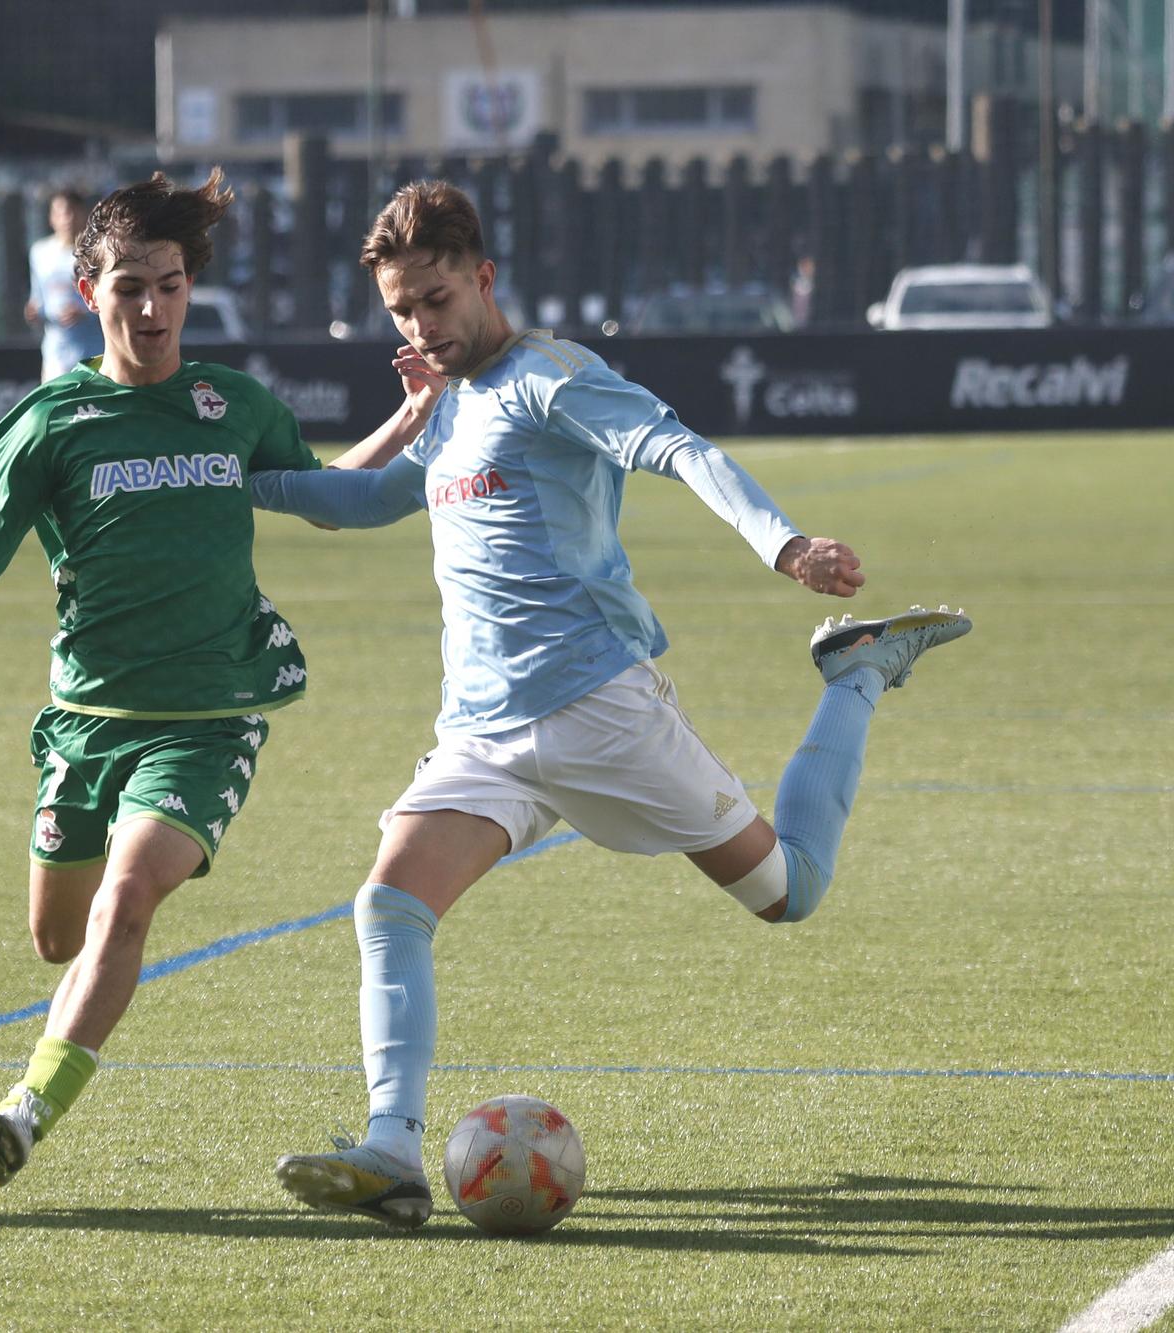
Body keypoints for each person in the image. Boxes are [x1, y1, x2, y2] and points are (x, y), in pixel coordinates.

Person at [252, 180, 971, 1230]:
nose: (420, 326)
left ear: (484, 278)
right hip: (483, 735)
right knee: (388, 905)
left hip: (598, 708)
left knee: (788, 891)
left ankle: (854, 671)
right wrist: (228, 477)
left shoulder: (551, 378)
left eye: (437, 299)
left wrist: (785, 544)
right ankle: (390, 1151)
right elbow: (355, 499)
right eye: (400, 309)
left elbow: (681, 449)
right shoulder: (444, 404)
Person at [0, 168, 439, 1194]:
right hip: (85, 719)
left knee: (125, 902)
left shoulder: (230, 406)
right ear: (90, 295)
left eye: (169, 284)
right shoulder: (50, 421)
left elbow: (327, 492)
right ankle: (80, 1009)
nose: (153, 307)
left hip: (207, 715)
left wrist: (414, 414)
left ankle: (22, 1110)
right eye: (130, 287)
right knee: (57, 937)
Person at [25, 188, 103, 382]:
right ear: (51, 218)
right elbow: (39, 299)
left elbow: (112, 299)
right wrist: (34, 312)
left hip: (94, 353)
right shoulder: (39, 252)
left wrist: (86, 312)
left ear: (83, 214)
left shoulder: (98, 252)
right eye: (60, 213)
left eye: (72, 212)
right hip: (56, 354)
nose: (67, 218)